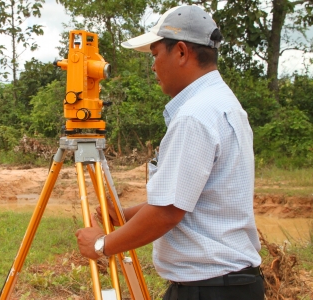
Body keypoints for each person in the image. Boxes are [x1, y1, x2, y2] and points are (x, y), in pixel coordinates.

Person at [75, 5, 264, 300]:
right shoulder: (224, 104)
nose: (152, 67)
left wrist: (102, 244)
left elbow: (167, 213)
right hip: (231, 285)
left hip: (208, 289)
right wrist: (126, 216)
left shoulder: (194, 116)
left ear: (181, 52)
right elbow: (190, 198)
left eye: (154, 55)